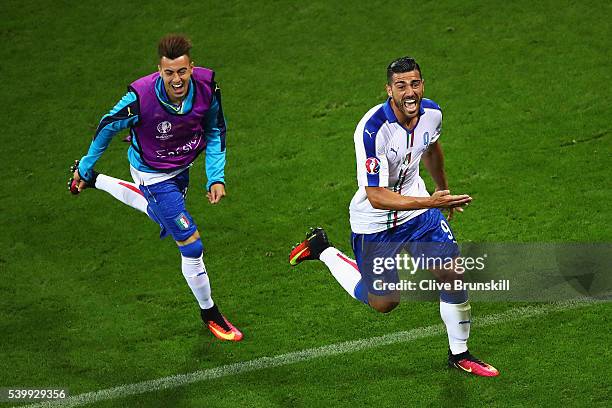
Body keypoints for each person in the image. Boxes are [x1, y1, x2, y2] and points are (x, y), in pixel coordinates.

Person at [289, 57, 498, 376]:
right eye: (401, 86)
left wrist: (443, 192)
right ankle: (323, 249)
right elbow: (377, 196)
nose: (409, 92)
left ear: (422, 85)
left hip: (419, 210)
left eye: (415, 84)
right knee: (384, 302)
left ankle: (460, 354)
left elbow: (431, 150)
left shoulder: (433, 113)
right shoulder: (373, 130)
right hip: (375, 222)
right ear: (389, 90)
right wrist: (429, 201)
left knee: (452, 273)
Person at [69, 34, 242, 342]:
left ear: (192, 67)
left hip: (182, 170)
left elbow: (216, 130)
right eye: (169, 73)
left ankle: (98, 180)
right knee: (191, 244)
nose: (177, 79)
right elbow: (107, 125)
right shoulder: (141, 98)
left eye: (182, 71)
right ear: (159, 71)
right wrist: (83, 165)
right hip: (152, 174)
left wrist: (216, 177)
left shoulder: (207, 88)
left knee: (160, 216)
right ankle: (210, 312)